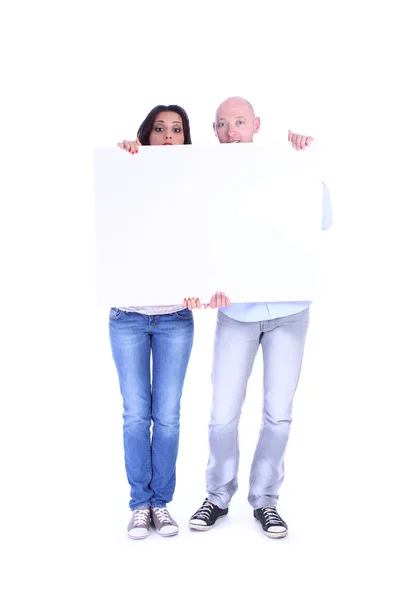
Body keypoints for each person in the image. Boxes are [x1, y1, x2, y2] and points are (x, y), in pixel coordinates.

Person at [189, 97, 332, 538]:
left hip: (289, 311)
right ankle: (217, 496)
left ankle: (266, 500)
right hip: (236, 311)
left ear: (255, 125)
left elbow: (322, 220)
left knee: (278, 414)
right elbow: (197, 239)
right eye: (222, 125)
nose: (231, 131)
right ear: (214, 132)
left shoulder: (287, 166)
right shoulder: (208, 180)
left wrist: (307, 164)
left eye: (239, 122)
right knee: (222, 414)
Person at [111, 104, 230, 540]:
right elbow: (112, 221)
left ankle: (161, 503)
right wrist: (122, 159)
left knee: (168, 416)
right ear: (146, 134)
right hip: (127, 316)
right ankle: (139, 503)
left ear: (185, 138)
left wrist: (208, 285)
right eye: (158, 129)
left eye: (175, 130)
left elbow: (210, 240)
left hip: (175, 318)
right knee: (134, 415)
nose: (166, 136)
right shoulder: (127, 171)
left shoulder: (194, 184)